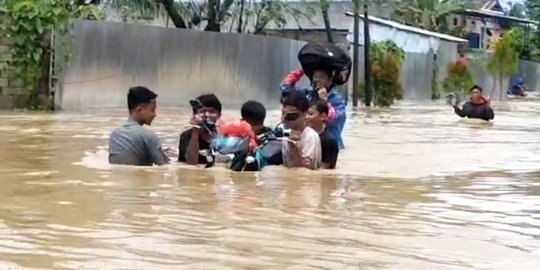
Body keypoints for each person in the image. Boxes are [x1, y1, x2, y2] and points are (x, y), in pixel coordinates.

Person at [280, 68, 346, 149]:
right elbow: (285, 89)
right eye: (315, 77)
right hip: (308, 142)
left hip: (329, 146)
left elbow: (333, 118)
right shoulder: (308, 95)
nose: (317, 80)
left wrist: (324, 101)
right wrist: (301, 70)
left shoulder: (337, 101)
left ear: (330, 79)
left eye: (322, 77)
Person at [109, 86, 169, 166]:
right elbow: (165, 166)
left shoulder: (115, 134)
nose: (155, 115)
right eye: (152, 110)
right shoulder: (149, 136)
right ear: (139, 110)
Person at [281, 90, 322, 170]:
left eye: (291, 116)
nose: (284, 119)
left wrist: (294, 147)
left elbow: (304, 170)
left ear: (304, 114)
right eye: (283, 114)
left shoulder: (311, 137)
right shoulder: (286, 135)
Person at [178, 94, 222, 165]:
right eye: (202, 112)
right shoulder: (186, 136)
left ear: (219, 115)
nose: (207, 115)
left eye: (211, 111)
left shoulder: (222, 136)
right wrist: (196, 132)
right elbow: (192, 164)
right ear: (194, 115)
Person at [306, 99, 339, 169]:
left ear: (322, 116)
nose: (306, 117)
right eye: (305, 114)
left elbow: (327, 169)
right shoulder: (302, 134)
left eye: (310, 114)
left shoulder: (330, 141)